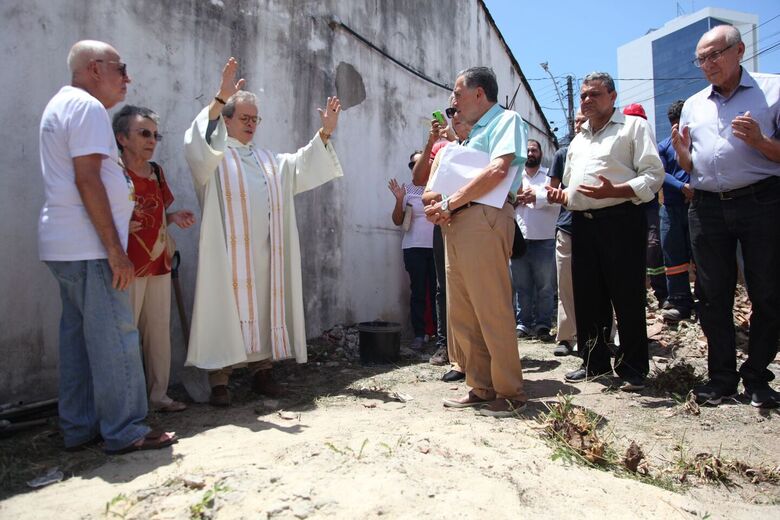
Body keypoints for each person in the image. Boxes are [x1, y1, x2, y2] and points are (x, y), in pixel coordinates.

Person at [38, 40, 176, 453]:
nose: (127, 78)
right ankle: (126, 429)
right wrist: (116, 251)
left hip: (65, 244)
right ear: (95, 68)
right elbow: (88, 179)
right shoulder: (87, 108)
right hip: (89, 247)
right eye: (122, 68)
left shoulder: (62, 105)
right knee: (117, 335)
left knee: (79, 340)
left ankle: (79, 428)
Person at [184, 58, 344, 407]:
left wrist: (326, 132)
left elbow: (302, 164)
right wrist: (220, 96)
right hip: (227, 255)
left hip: (265, 255)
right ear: (226, 119)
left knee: (266, 305)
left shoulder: (269, 160)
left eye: (255, 119)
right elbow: (197, 142)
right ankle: (220, 380)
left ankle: (262, 370)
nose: (252, 125)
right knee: (223, 308)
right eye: (244, 118)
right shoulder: (213, 157)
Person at [672, 25, 780, 408]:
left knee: (767, 290)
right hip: (707, 206)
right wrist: (683, 155)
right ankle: (720, 378)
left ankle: (757, 377)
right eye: (701, 58)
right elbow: (691, 164)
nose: (708, 64)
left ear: (739, 51)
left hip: (762, 201)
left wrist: (761, 142)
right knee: (712, 294)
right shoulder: (693, 104)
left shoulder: (773, 90)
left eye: (715, 54)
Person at [546, 72, 664, 391]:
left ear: (613, 97)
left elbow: (654, 175)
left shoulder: (633, 127)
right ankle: (594, 362)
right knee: (588, 297)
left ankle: (633, 367)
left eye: (594, 94)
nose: (586, 100)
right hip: (582, 223)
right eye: (583, 95)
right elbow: (572, 187)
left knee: (625, 296)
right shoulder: (578, 139)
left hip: (621, 219)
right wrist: (563, 196)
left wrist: (619, 190)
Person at [425, 67, 528, 417]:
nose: (453, 101)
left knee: (491, 306)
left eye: (458, 93)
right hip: (457, 222)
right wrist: (440, 207)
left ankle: (510, 391)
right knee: (464, 310)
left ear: (480, 94)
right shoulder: (468, 137)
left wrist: (449, 203)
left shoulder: (505, 122)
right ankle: (481, 386)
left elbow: (499, 171)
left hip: (486, 217)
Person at [113, 105, 195, 412]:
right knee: (125, 335)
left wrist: (173, 217)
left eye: (154, 134)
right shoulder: (113, 172)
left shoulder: (157, 171)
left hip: (159, 262)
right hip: (128, 266)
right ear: (122, 138)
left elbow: (156, 213)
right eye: (143, 133)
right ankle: (126, 403)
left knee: (158, 332)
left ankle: (157, 395)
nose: (151, 140)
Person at [423, 105, 474, 382]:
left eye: (459, 110)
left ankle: (480, 354)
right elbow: (424, 187)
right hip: (445, 224)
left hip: (476, 223)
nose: (455, 116)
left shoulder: (483, 144)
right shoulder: (442, 150)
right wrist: (433, 142)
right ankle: (452, 351)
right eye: (451, 112)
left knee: (476, 287)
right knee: (447, 288)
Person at [388, 151, 437, 350]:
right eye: (413, 164)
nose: (417, 167)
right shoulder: (407, 190)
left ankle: (440, 336)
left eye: (422, 163)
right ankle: (419, 333)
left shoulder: (438, 187)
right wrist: (399, 200)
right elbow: (397, 221)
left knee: (438, 292)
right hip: (414, 247)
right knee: (417, 292)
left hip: (437, 248)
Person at [548, 111, 587, 356]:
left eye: (584, 120)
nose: (580, 124)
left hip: (597, 225)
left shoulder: (603, 149)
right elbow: (552, 190)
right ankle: (566, 337)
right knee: (566, 286)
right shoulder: (562, 154)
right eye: (577, 121)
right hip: (567, 228)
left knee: (600, 286)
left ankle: (605, 337)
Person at [511, 139, 558, 342]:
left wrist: (535, 197)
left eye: (534, 150)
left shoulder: (550, 176)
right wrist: (516, 199)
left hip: (544, 239)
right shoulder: (513, 177)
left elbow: (556, 200)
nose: (530, 153)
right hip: (519, 240)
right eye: (527, 150)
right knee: (521, 286)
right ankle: (523, 324)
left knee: (545, 287)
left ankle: (543, 325)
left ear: (540, 153)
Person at [623, 103, 667, 308]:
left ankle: (661, 292)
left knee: (653, 246)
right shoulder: (620, 145)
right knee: (630, 251)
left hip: (649, 204)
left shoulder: (651, 144)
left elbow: (658, 174)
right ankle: (635, 295)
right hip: (626, 206)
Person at [656, 100, 694, 322]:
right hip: (670, 208)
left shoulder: (697, 142)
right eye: (674, 123)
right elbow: (659, 172)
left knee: (703, 256)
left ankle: (706, 301)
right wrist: (682, 187)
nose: (677, 128)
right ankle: (680, 302)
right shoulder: (663, 146)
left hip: (698, 207)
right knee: (673, 256)